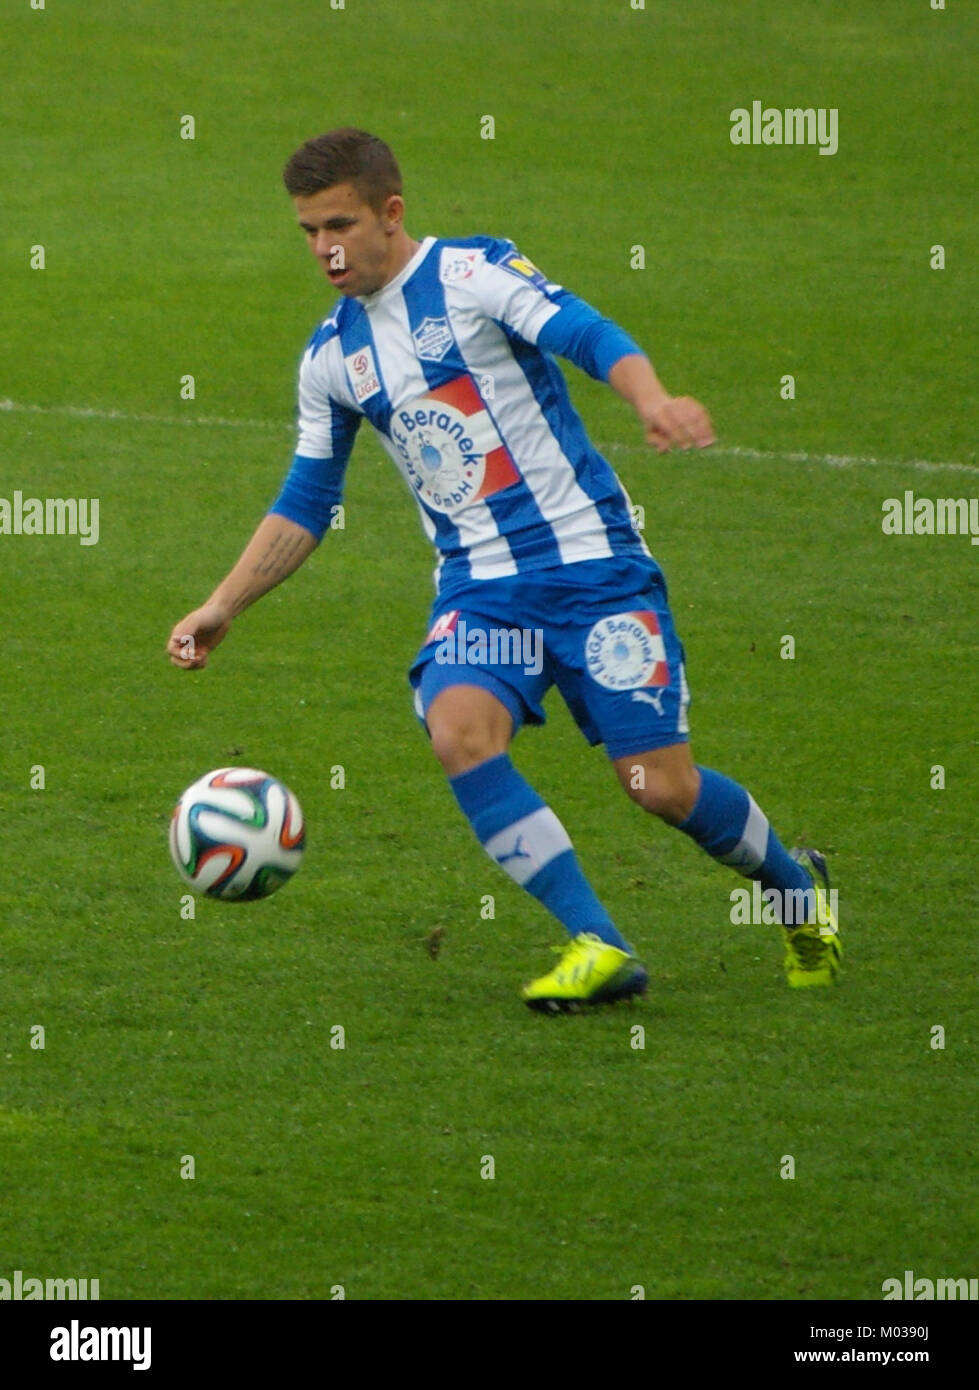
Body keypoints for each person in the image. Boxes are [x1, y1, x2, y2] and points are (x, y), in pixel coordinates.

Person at [167, 127, 841, 1012]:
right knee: (456, 729)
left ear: (390, 213)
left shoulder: (471, 275)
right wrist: (224, 605)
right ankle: (597, 942)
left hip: (594, 569)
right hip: (480, 588)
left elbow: (583, 333)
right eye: (306, 231)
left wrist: (652, 398)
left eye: (339, 224)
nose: (324, 248)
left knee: (660, 789)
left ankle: (798, 891)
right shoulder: (332, 356)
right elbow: (305, 499)